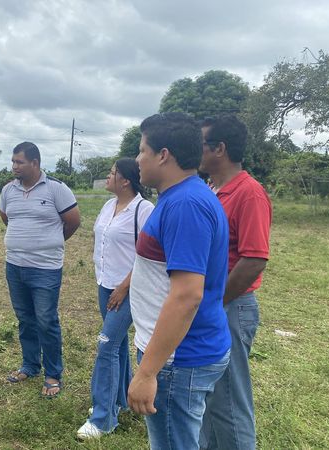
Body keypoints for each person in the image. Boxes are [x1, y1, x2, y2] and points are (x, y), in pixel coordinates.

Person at [127, 112, 231, 450]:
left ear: (163, 155)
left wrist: (147, 372)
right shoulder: (179, 197)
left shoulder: (186, 204)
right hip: (176, 354)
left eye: (142, 150)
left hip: (178, 359)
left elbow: (187, 295)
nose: (137, 159)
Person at [199, 115, 272, 450]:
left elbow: (254, 259)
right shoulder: (212, 190)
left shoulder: (249, 193)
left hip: (230, 306)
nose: (196, 151)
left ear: (220, 149)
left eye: (201, 144)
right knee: (210, 394)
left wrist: (216, 301)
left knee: (229, 399)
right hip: (214, 304)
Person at [77, 158, 154, 439]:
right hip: (105, 284)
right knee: (118, 344)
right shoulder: (109, 205)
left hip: (128, 289)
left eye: (112, 173)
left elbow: (148, 256)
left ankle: (103, 419)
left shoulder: (144, 210)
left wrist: (123, 286)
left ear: (126, 181)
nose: (108, 177)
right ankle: (119, 401)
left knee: (106, 345)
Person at [0, 142, 81, 398]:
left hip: (45, 268)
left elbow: (73, 222)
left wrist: (50, 242)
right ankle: (30, 365)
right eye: (13, 161)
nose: (14, 166)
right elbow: (6, 218)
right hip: (15, 265)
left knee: (46, 320)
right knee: (25, 319)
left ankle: (53, 374)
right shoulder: (8, 190)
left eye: (19, 162)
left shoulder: (57, 188)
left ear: (35, 163)